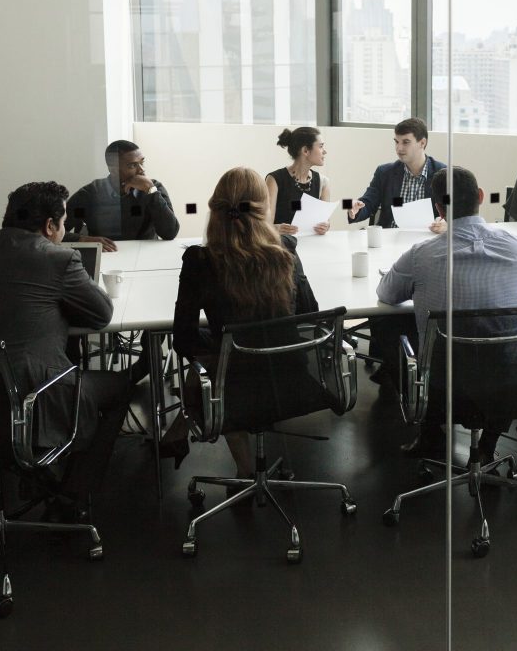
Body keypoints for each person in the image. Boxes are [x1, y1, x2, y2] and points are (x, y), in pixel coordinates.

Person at [0, 181, 128, 519]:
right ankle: (71, 496)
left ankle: (36, 473)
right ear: (50, 226)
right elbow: (101, 314)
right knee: (120, 387)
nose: (64, 229)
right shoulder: (59, 258)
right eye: (63, 222)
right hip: (28, 396)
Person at [375, 166, 517, 463]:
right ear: (480, 196)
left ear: (438, 208)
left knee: (387, 327)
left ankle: (430, 432)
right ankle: (488, 444)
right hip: (509, 378)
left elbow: (386, 295)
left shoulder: (421, 254)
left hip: (444, 381)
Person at [171, 167, 319, 478]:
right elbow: (309, 311)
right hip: (290, 376)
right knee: (226, 351)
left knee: (214, 359)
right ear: (263, 207)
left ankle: (244, 469)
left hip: (234, 380)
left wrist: (219, 349)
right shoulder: (285, 249)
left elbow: (183, 339)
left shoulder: (200, 260)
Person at [67, 139, 180, 251]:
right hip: (108, 257)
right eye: (132, 166)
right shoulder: (90, 194)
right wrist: (83, 239)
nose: (142, 170)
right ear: (113, 170)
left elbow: (170, 233)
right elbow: (53, 231)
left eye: (142, 163)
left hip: (146, 255)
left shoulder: (152, 187)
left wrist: (151, 192)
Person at [347, 117, 448, 233]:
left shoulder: (443, 174)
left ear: (422, 143)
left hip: (427, 241)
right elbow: (368, 202)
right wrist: (355, 208)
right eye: (396, 142)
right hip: (391, 239)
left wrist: (446, 224)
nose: (399, 148)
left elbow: (451, 211)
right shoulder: (384, 173)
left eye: (406, 142)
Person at [265, 126, 333, 236]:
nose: (324, 151)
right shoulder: (274, 179)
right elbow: (266, 225)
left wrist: (326, 226)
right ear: (305, 150)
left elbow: (326, 221)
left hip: (313, 245)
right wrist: (276, 228)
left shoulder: (323, 182)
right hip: (282, 247)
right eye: (320, 147)